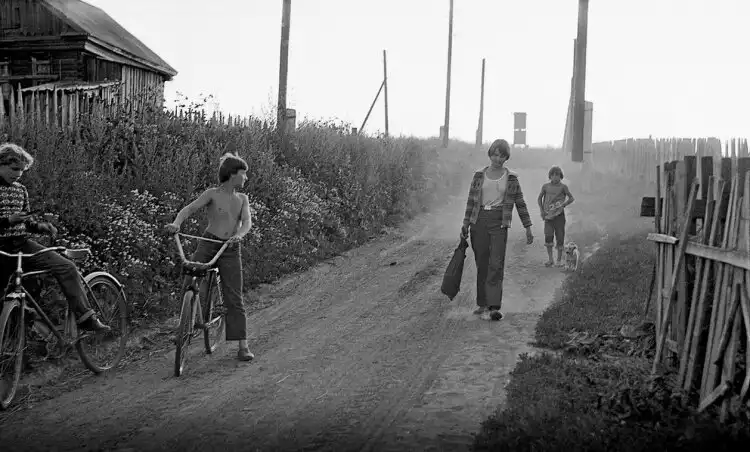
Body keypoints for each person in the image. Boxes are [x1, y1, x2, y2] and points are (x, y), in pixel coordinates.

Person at [0, 142, 110, 332]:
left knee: (66, 266)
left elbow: (26, 221)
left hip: (22, 245)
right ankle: (17, 340)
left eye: (22, 170)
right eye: (14, 169)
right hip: (1, 250)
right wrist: (8, 220)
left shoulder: (20, 190)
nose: (18, 174)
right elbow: (12, 220)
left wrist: (40, 226)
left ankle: (85, 317)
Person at [165, 152, 254, 361]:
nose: (246, 177)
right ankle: (183, 327)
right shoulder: (212, 194)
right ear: (232, 174)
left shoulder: (242, 199)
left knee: (234, 296)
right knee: (190, 279)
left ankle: (243, 346)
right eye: (243, 173)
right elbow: (189, 209)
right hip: (208, 243)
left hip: (230, 248)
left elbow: (247, 222)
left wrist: (239, 236)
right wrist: (176, 223)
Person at [460, 139, 534, 321]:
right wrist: (465, 224)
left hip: (499, 222)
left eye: (501, 156)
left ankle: (494, 306)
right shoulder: (479, 175)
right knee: (482, 262)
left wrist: (528, 227)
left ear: (506, 157)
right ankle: (482, 304)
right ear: (490, 154)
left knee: (496, 263)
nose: (497, 159)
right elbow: (471, 201)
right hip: (479, 220)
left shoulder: (511, 178)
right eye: (495, 154)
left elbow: (520, 203)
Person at [537, 165, 575, 268]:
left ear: (561, 176)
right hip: (548, 216)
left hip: (559, 216)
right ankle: (550, 259)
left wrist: (564, 205)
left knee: (560, 237)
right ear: (550, 176)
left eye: (557, 175)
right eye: (553, 175)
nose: (555, 177)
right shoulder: (545, 186)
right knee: (548, 237)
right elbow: (539, 198)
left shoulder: (563, 187)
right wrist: (542, 211)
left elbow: (571, 198)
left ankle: (558, 260)